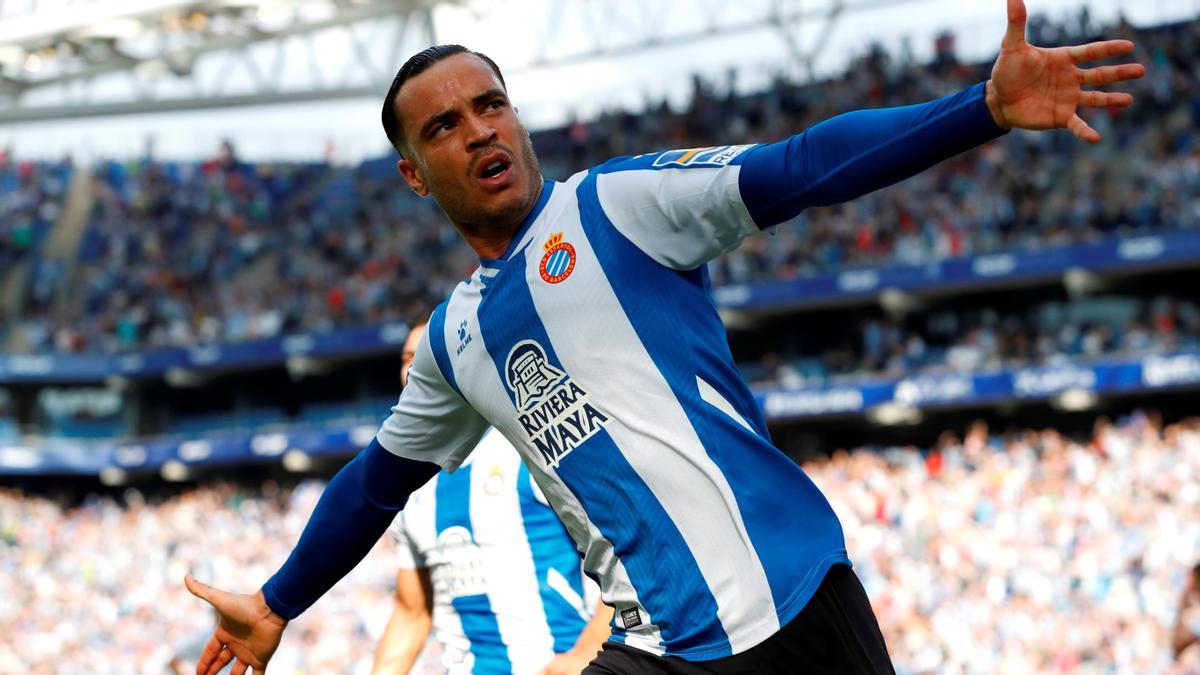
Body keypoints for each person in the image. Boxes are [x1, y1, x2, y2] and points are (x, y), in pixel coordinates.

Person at [184, 1, 1144, 673]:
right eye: (444, 125)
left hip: (795, 605)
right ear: (412, 174)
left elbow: (803, 166)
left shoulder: (621, 205)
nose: (480, 130)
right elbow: (374, 482)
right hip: (661, 650)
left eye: (491, 104)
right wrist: (277, 602)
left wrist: (978, 110)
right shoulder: (453, 340)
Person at [372, 316, 611, 675]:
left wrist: (586, 652)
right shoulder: (410, 486)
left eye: (428, 358)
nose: (415, 369)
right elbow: (411, 613)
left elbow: (628, 557)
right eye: (408, 359)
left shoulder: (531, 448)